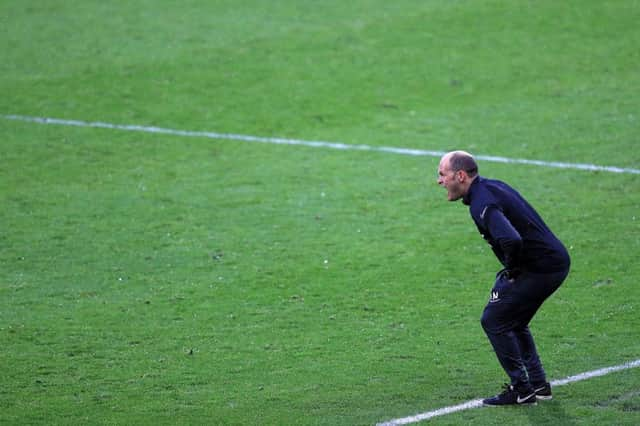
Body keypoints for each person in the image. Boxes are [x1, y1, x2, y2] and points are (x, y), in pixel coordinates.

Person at [436, 150, 571, 406]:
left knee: (494, 320)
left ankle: (521, 389)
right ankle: (539, 385)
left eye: (442, 174)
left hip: (540, 268)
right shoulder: (492, 187)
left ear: (461, 175)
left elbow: (511, 239)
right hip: (553, 261)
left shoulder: (481, 203)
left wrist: (512, 270)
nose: (439, 181)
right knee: (514, 321)